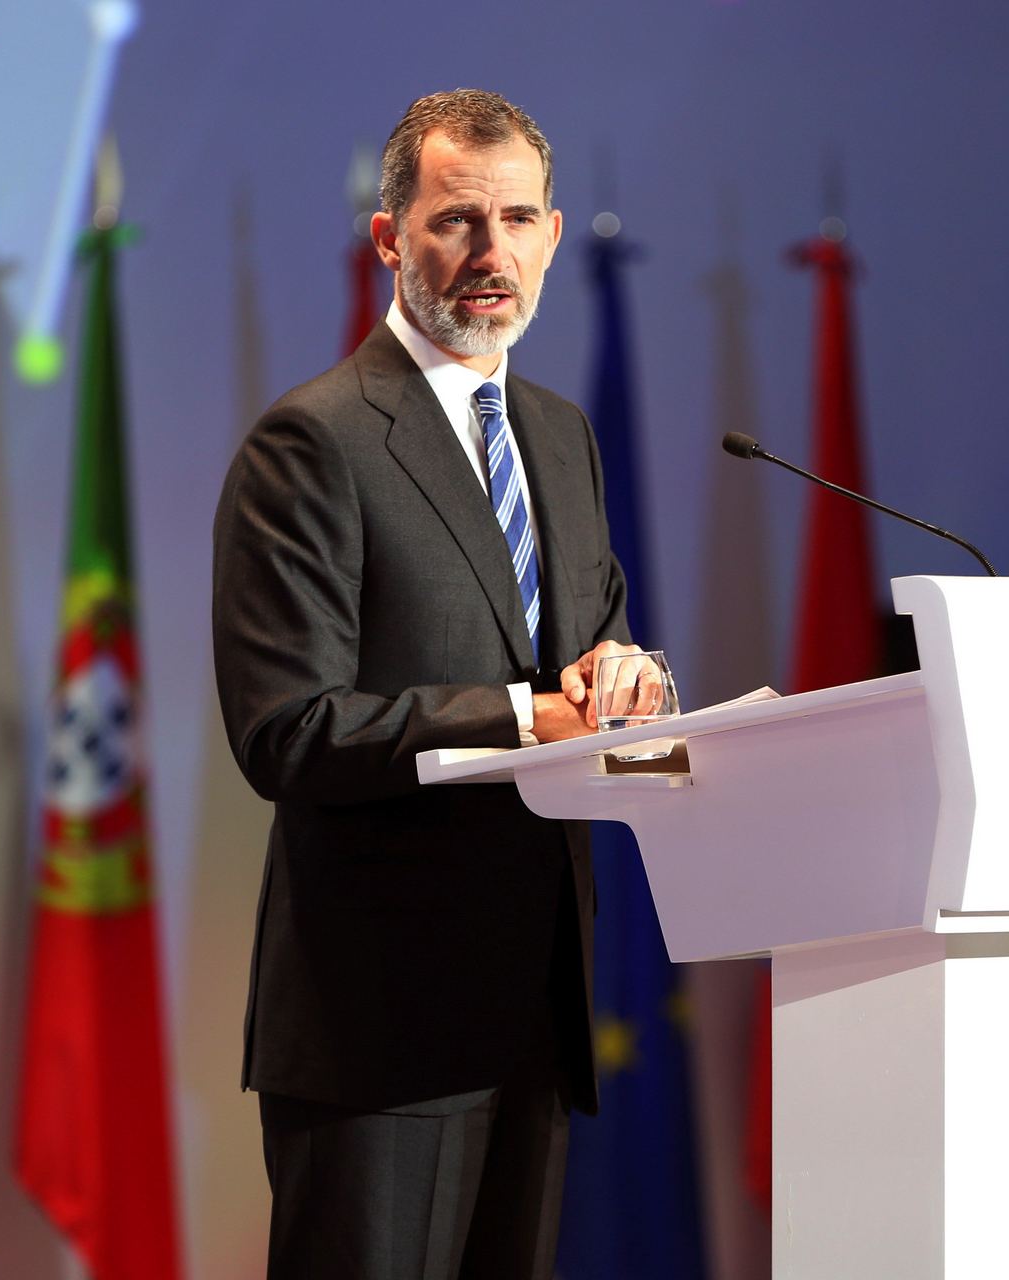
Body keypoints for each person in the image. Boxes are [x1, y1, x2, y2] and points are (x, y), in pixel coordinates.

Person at [211, 89, 644, 1279]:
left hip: (532, 1010)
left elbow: (591, 640)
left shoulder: (558, 434)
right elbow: (287, 731)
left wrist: (626, 674)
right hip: (377, 1032)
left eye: (516, 220)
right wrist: (520, 714)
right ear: (391, 238)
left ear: (554, 235)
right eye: (457, 220)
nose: (490, 254)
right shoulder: (315, 442)